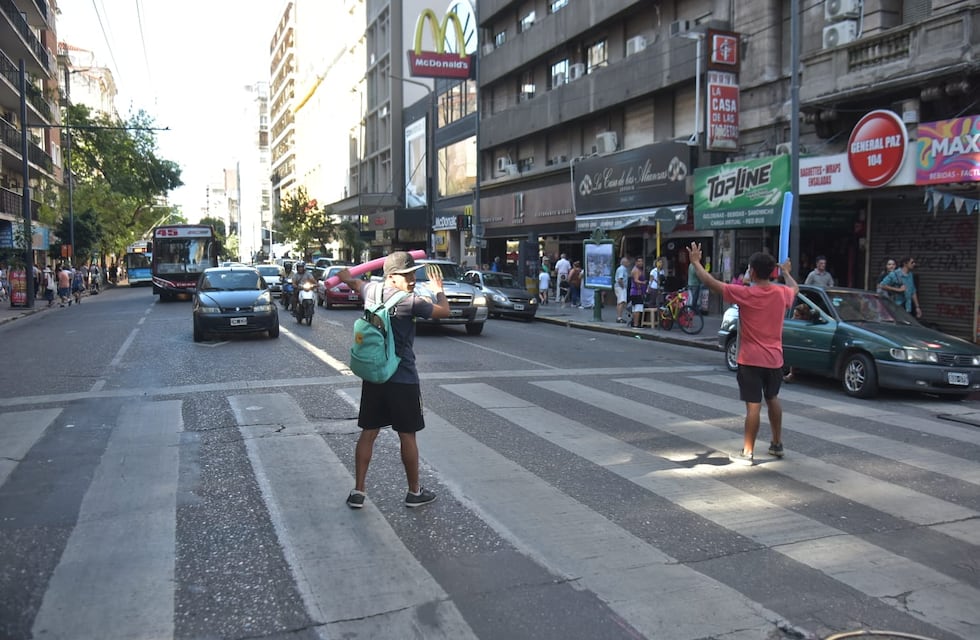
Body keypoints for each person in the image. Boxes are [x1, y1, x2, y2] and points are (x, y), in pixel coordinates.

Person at [338, 251, 450, 509]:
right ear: (391, 276)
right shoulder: (411, 302)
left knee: (369, 432)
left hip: (375, 376)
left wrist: (345, 278)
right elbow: (444, 311)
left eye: (413, 274)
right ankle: (414, 492)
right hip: (403, 378)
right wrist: (439, 291)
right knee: (407, 435)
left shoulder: (372, 291)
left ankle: (358, 491)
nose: (412, 279)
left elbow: (356, 283)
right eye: (405, 275)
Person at [688, 242, 798, 465]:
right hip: (775, 359)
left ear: (753, 271)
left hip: (750, 359)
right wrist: (787, 273)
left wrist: (696, 263)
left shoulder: (746, 294)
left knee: (753, 405)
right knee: (773, 398)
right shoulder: (782, 293)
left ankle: (748, 452)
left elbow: (711, 283)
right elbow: (795, 288)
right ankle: (777, 444)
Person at [628, 257, 647, 328]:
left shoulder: (637, 269)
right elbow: (636, 280)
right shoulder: (636, 270)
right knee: (638, 308)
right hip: (637, 292)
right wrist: (643, 282)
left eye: (642, 261)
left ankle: (634, 323)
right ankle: (636, 324)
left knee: (635, 308)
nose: (641, 263)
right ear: (636, 262)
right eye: (639, 261)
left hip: (634, 292)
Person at [614, 257, 630, 323]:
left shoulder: (622, 269)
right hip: (620, 287)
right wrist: (623, 287)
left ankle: (619, 316)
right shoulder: (622, 269)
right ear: (624, 262)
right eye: (627, 262)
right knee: (621, 302)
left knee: (620, 302)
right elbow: (620, 279)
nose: (629, 263)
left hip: (619, 287)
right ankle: (619, 317)